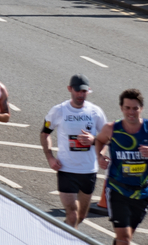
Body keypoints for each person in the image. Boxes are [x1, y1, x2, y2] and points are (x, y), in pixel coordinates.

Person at [41, 74, 108, 227]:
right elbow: (44, 133)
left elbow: (106, 139)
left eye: (84, 92)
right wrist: (50, 158)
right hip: (66, 169)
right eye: (77, 91)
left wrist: (96, 145)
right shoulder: (59, 110)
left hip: (88, 170)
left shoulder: (95, 112)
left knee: (81, 216)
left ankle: (62, 234)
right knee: (72, 214)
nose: (80, 95)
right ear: (70, 89)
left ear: (88, 91)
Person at [94, 88, 148, 245]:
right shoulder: (112, 128)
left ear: (141, 108)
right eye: (127, 108)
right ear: (121, 108)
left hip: (142, 192)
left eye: (135, 108)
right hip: (117, 189)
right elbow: (99, 140)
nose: (131, 112)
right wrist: (100, 155)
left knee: (126, 237)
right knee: (124, 238)